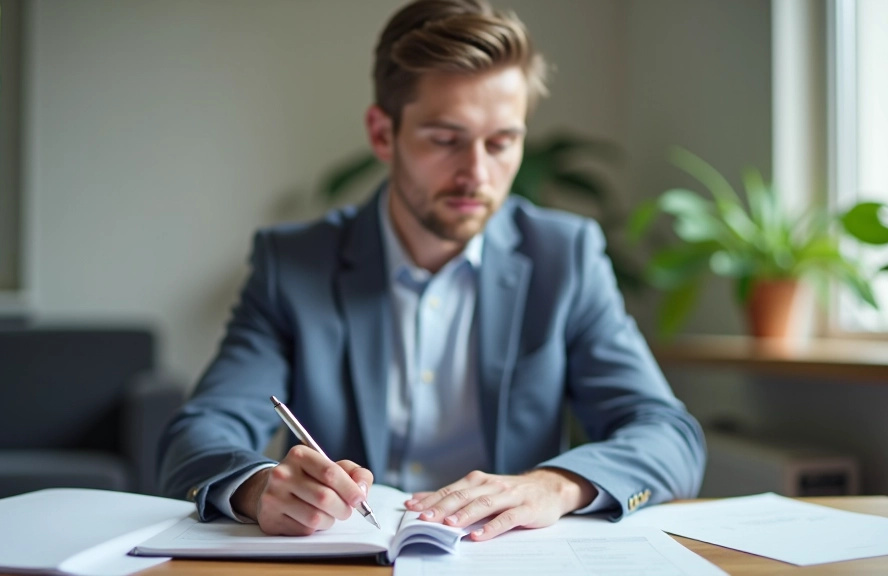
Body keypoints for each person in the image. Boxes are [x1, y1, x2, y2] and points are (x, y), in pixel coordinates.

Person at [158, 0, 705, 542]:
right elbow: (199, 434)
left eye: (502, 142)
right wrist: (259, 489)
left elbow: (668, 435)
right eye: (445, 140)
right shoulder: (294, 265)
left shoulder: (565, 258)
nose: (477, 174)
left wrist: (554, 487)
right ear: (382, 134)